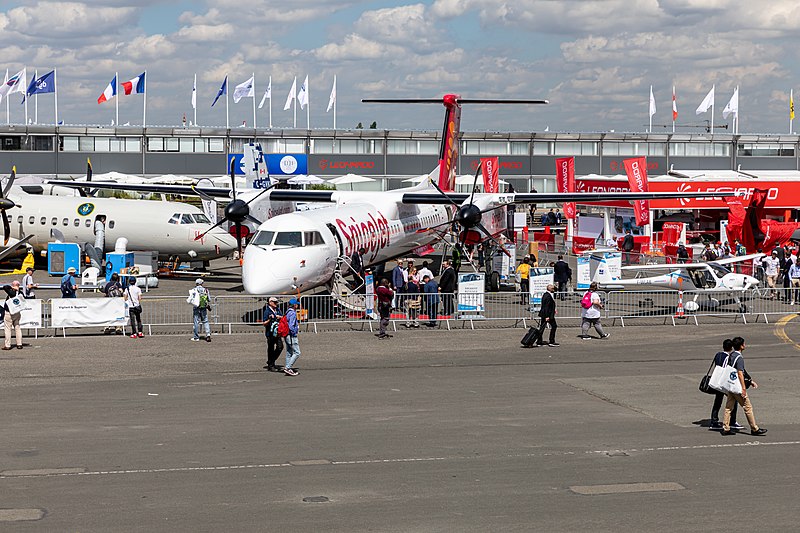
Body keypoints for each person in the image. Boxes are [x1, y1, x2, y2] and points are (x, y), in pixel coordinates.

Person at [721, 337, 767, 436]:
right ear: (741, 346)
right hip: (737, 386)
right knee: (747, 407)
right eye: (744, 344)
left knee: (728, 407)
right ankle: (754, 428)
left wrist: (750, 381)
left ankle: (726, 427)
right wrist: (743, 388)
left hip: (730, 385)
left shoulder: (731, 355)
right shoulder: (739, 358)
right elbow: (740, 373)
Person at [709, 339, 744, 431]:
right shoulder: (729, 357)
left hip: (716, 381)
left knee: (717, 401)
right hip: (723, 382)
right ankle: (732, 421)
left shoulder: (718, 354)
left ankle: (714, 421)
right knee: (733, 400)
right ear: (731, 347)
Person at [262, 297, 283, 371]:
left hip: (277, 332)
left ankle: (271, 361)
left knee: (280, 347)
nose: (276, 303)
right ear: (270, 302)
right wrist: (269, 320)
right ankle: (271, 365)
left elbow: (282, 317)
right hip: (270, 333)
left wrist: (280, 317)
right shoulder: (267, 311)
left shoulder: (277, 310)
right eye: (275, 302)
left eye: (277, 302)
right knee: (271, 348)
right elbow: (264, 323)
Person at [187, 278, 212, 342]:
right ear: (202, 283)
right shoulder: (206, 290)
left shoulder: (194, 290)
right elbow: (209, 299)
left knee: (196, 322)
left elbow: (191, 299)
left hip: (196, 307)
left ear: (196, 283)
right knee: (205, 321)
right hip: (204, 307)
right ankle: (208, 335)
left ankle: (196, 337)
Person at [2, 281, 24, 350]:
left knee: (8, 329)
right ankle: (19, 344)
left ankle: (7, 345)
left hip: (10, 312)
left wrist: (12, 287)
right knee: (17, 328)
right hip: (17, 312)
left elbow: (5, 287)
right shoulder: (20, 293)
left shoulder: (11, 292)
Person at [283, 298, 301, 376]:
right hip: (291, 335)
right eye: (296, 304)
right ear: (294, 305)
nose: (297, 305)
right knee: (297, 352)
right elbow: (291, 325)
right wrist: (295, 331)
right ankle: (288, 367)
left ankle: (288, 368)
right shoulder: (293, 313)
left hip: (286, 334)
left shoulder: (287, 312)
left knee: (289, 352)